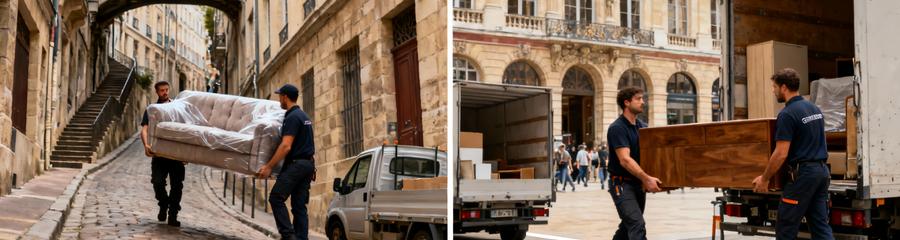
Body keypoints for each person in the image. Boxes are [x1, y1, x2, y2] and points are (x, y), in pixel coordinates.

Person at [752, 68, 832, 239]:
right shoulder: (814, 109)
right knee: (820, 227)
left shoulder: (787, 114)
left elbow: (781, 153)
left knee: (786, 229)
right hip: (821, 173)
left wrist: (765, 179)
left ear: (783, 88)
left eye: (774, 87)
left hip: (802, 176)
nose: (773, 91)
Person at [257, 84, 317, 240]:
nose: (279, 100)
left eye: (279, 96)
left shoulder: (291, 117)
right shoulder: (304, 116)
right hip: (308, 165)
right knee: (299, 207)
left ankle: (289, 236)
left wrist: (269, 166)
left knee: (276, 197)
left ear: (285, 97)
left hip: (297, 165)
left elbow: (286, 146)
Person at [607, 87, 662, 240]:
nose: (642, 102)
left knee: (627, 226)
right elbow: (625, 159)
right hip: (621, 185)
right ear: (626, 102)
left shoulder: (643, 127)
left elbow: (653, 154)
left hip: (638, 185)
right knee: (637, 224)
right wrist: (646, 178)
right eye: (638, 99)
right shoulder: (617, 128)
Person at [140, 81, 185, 227]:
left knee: (177, 186)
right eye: (162, 91)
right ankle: (163, 204)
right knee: (157, 183)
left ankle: (173, 215)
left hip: (176, 155)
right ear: (157, 92)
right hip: (158, 154)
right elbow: (144, 129)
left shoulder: (177, 107)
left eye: (166, 89)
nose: (165, 92)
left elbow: (186, 129)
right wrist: (146, 144)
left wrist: (187, 154)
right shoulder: (151, 110)